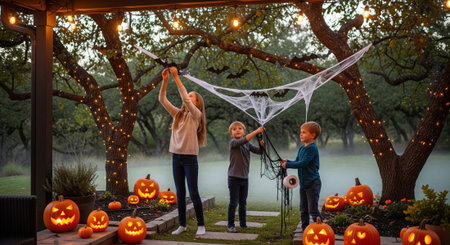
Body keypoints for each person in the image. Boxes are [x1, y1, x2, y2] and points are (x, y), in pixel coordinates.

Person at [159, 67, 207, 236]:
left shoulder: (196, 115)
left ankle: (201, 225)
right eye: (189, 96)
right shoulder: (178, 115)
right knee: (180, 193)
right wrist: (165, 80)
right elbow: (162, 99)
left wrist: (176, 77)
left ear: (197, 103)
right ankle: (182, 225)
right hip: (176, 158)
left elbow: (184, 98)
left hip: (190, 159)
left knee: (193, 192)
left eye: (191, 97)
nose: (188, 98)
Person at [280, 121, 322, 231]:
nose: (301, 134)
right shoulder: (302, 148)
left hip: (313, 183)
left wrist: (287, 165)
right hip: (304, 184)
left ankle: (322, 227)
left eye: (304, 132)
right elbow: (297, 161)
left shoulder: (312, 148)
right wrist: (287, 161)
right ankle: (305, 229)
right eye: (301, 132)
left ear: (312, 135)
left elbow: (303, 163)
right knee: (303, 209)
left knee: (312, 209)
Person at [227, 121, 265, 233]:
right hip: (234, 178)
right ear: (231, 134)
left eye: (240, 128)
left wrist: (262, 145)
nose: (237, 130)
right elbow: (245, 139)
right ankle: (230, 225)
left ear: (244, 132)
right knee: (234, 202)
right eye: (234, 129)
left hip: (244, 178)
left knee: (243, 202)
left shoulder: (247, 144)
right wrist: (257, 131)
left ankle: (243, 224)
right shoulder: (233, 143)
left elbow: (259, 152)